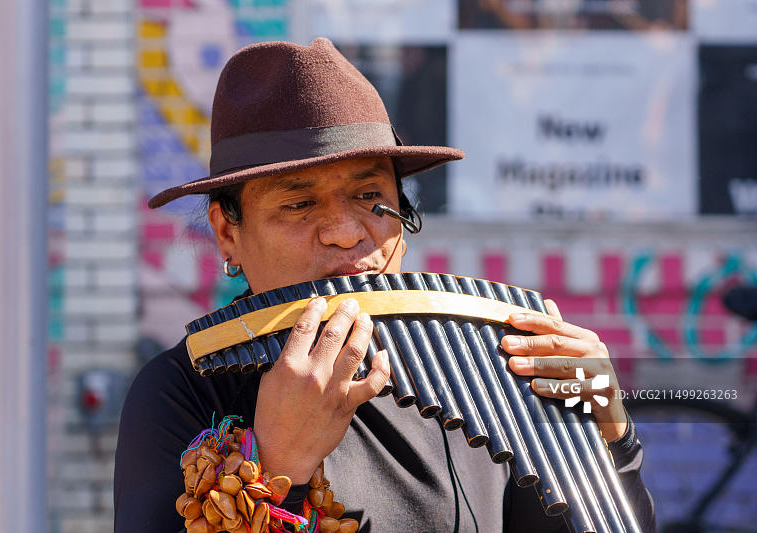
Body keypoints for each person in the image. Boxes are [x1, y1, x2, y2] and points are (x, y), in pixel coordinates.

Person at [114, 38, 656, 532]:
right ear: (227, 231)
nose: (346, 233)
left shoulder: (489, 372)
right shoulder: (183, 391)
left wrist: (612, 440)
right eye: (299, 203)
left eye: (370, 197)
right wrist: (279, 470)